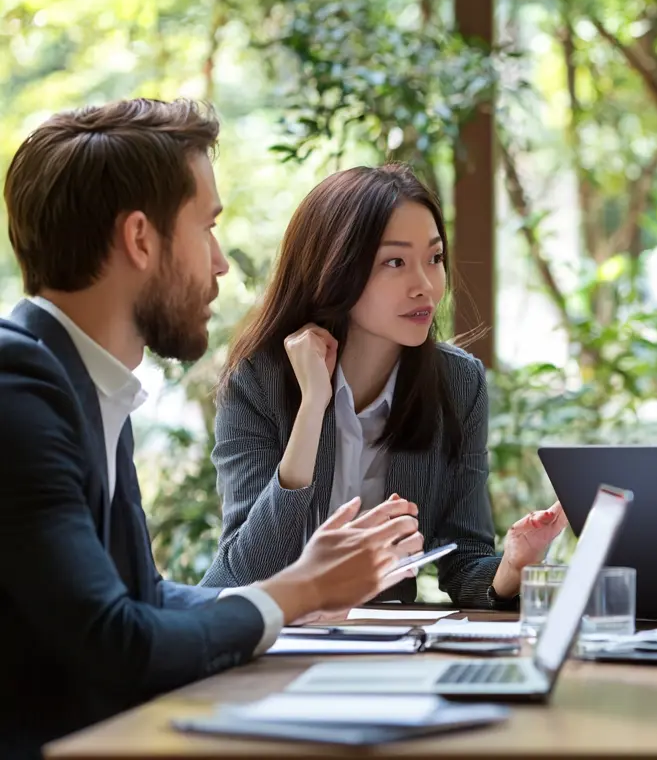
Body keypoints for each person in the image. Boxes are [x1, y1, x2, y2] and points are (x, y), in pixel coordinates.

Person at [0, 99, 422, 756]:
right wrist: (298, 588)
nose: (221, 263)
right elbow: (117, 644)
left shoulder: (80, 380)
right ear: (141, 238)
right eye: (208, 228)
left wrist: (292, 596)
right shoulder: (18, 388)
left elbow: (144, 598)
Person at [200, 164, 564, 607]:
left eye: (434, 259)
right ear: (335, 268)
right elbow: (240, 574)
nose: (425, 286)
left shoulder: (458, 382)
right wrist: (313, 405)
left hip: (387, 652)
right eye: (395, 262)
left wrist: (512, 568)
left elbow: (466, 562)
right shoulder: (258, 381)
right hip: (271, 650)